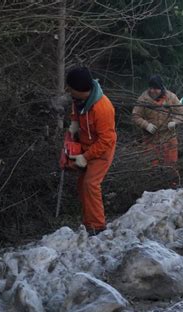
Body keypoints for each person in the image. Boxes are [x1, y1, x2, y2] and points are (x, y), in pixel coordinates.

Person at [66, 67, 117, 235]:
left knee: (90, 183)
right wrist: (74, 124)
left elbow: (106, 140)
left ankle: (98, 226)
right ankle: (88, 221)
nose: (69, 91)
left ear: (81, 89)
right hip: (85, 145)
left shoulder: (103, 108)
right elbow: (76, 112)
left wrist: (85, 156)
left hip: (102, 150)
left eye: (71, 88)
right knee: (82, 185)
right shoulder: (78, 100)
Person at [132, 75, 183, 183]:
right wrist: (146, 125)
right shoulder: (143, 99)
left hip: (169, 138)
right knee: (152, 168)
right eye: (151, 88)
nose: (152, 91)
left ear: (161, 88)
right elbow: (135, 116)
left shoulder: (171, 98)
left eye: (156, 88)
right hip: (151, 139)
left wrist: (174, 122)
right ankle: (153, 189)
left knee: (171, 166)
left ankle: (173, 187)